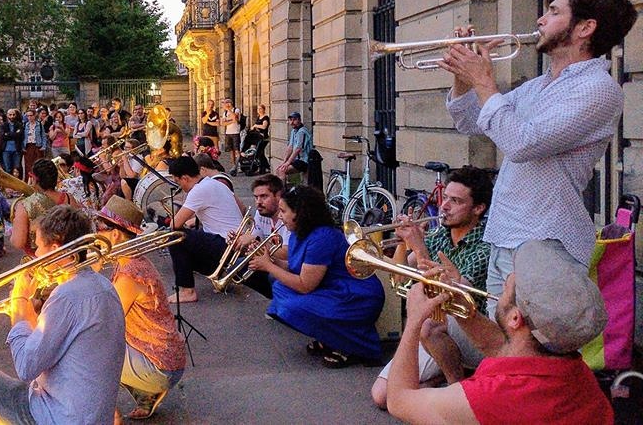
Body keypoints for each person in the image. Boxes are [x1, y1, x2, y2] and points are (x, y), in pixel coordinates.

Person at [442, 0, 637, 300]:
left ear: (585, 28)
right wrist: (463, 76)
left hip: (546, 241)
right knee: (504, 346)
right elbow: (470, 121)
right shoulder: (539, 86)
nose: (540, 20)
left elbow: (522, 144)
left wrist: (483, 80)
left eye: (554, 12)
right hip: (506, 234)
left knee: (532, 346)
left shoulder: (598, 89)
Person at [386, 239, 612, 425]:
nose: (505, 282)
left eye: (509, 284)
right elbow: (502, 348)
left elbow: (399, 399)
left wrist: (414, 320)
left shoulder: (493, 396)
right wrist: (464, 310)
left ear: (516, 318)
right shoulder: (579, 377)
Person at [0, 205, 125, 425]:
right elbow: (44, 350)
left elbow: (26, 367)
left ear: (56, 248)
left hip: (57, 416)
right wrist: (29, 310)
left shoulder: (67, 296)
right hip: (91, 415)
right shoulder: (103, 286)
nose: (36, 254)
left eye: (39, 246)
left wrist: (19, 299)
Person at [371, 166, 493, 409]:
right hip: (434, 329)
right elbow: (399, 276)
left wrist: (419, 247)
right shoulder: (441, 235)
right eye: (445, 197)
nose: (444, 206)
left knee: (429, 326)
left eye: (455, 201)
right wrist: (405, 242)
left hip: (471, 330)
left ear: (478, 208)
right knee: (381, 395)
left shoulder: (486, 245)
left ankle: (457, 388)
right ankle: (440, 380)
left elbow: (450, 298)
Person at [247, 185, 385, 367]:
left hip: (355, 297)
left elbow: (305, 285)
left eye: (283, 211)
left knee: (291, 307)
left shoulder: (322, 238)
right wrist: (269, 260)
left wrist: (269, 267)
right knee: (280, 289)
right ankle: (329, 337)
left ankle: (350, 346)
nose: (280, 216)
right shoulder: (300, 232)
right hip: (334, 290)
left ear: (300, 213)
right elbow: (296, 268)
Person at [93, 197, 186, 421]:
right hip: (162, 357)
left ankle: (109, 415)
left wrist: (90, 274)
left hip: (160, 365)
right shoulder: (129, 260)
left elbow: (104, 321)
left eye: (99, 228)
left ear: (115, 234)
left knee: (86, 351)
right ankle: (146, 394)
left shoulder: (130, 273)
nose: (95, 235)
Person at [166, 155, 245, 303]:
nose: (179, 187)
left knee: (176, 237)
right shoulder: (216, 183)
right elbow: (242, 208)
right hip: (233, 244)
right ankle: (220, 275)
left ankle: (186, 290)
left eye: (177, 181)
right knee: (189, 242)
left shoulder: (199, 190)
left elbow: (174, 225)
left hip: (227, 246)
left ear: (184, 178)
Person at [9, 158, 77, 256]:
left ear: (34, 179)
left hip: (39, 261)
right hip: (67, 257)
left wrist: (14, 227)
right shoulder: (69, 198)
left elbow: (18, 242)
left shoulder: (24, 205)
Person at [276, 112, 312, 178]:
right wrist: (284, 161)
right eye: (290, 120)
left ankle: (282, 188)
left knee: (282, 171)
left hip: (304, 161)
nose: (292, 122)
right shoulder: (294, 131)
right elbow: (290, 147)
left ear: (299, 120)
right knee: (279, 169)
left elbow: (298, 149)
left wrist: (288, 162)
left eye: (294, 120)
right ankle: (285, 187)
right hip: (296, 160)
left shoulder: (302, 131)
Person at [22, 108, 48, 176]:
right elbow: (23, 137)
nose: (29, 117)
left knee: (38, 164)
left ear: (34, 116)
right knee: (28, 165)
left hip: (37, 146)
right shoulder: (25, 125)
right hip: (28, 146)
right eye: (28, 116)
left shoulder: (39, 124)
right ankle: (29, 180)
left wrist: (43, 146)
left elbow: (43, 136)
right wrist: (22, 147)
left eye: (31, 115)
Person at [220, 98, 242, 174]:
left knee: (237, 150)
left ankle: (239, 166)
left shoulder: (236, 110)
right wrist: (231, 120)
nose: (227, 104)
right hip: (228, 133)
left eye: (228, 102)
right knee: (231, 150)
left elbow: (235, 118)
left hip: (235, 132)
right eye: (226, 103)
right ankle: (233, 165)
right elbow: (223, 123)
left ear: (231, 103)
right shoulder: (224, 113)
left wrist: (229, 111)